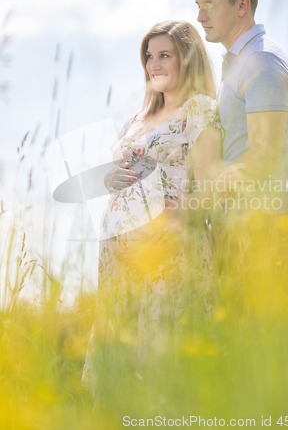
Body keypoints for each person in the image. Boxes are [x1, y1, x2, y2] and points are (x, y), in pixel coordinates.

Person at [81, 20, 223, 398]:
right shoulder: (136, 119)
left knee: (162, 350)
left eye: (164, 55)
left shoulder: (200, 110)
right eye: (149, 56)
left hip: (169, 247)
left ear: (187, 60)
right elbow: (120, 176)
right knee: (120, 345)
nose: (154, 65)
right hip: (118, 256)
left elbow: (211, 186)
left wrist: (179, 218)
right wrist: (110, 180)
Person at [192, 0, 288, 275]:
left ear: (242, 5)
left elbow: (264, 155)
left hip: (262, 226)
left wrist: (197, 201)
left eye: (209, 5)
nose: (199, 16)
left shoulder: (261, 61)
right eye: (198, 5)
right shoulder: (240, 63)